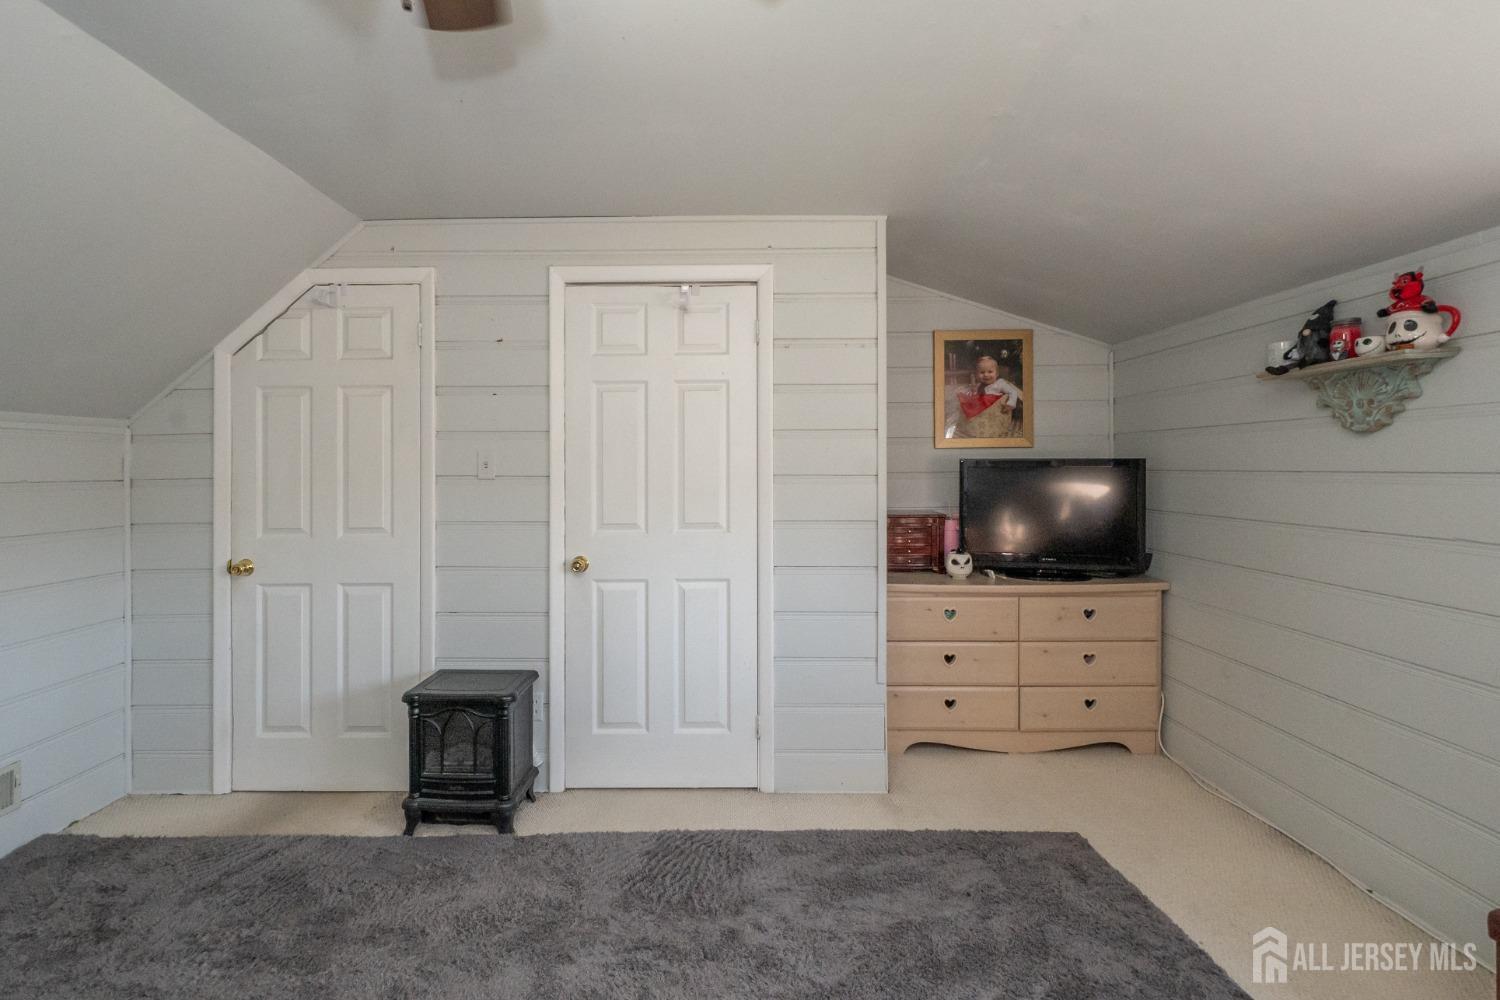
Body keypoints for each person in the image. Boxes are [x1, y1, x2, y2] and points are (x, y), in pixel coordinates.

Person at [953, 354, 1022, 438]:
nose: (986, 375)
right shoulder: (979, 385)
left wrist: (1011, 403)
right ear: (977, 375)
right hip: (981, 413)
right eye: (982, 372)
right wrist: (971, 395)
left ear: (996, 374)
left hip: (994, 414)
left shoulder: (1000, 384)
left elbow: (1013, 392)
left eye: (990, 372)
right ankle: (970, 425)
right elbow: (975, 396)